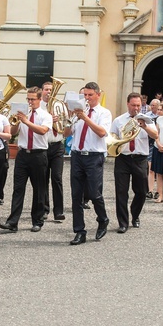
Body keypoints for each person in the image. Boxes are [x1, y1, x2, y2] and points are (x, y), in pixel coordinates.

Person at [0, 87, 51, 233]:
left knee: (39, 189)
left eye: (33, 99)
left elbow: (42, 131)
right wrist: (15, 122)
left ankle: (37, 221)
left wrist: (26, 121)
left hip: (38, 155)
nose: (30, 102)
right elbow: (13, 133)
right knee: (18, 188)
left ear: (39, 99)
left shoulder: (45, 115)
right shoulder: (23, 114)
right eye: (28, 99)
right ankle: (12, 222)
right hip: (22, 155)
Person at [64, 82, 111, 245]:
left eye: (90, 95)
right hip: (77, 155)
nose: (87, 98)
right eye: (85, 95)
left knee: (94, 193)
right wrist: (70, 119)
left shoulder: (104, 113)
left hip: (94, 156)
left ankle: (103, 218)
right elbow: (66, 133)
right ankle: (79, 231)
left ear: (98, 95)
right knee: (76, 195)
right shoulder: (79, 113)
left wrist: (85, 118)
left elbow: (101, 132)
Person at [112, 92, 158, 233]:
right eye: (133, 105)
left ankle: (135, 214)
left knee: (141, 192)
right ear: (128, 104)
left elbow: (155, 135)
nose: (136, 108)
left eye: (138, 105)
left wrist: (144, 126)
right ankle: (123, 223)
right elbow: (113, 138)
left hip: (140, 159)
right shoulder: (119, 120)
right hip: (123, 158)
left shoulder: (148, 119)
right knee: (121, 192)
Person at [41, 81, 66, 222]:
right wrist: (48, 120)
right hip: (44, 145)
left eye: (51, 89)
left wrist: (60, 120)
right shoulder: (38, 108)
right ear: (42, 91)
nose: (49, 92)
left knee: (57, 178)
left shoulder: (60, 105)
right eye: (46, 89)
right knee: (43, 178)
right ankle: (44, 209)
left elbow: (65, 124)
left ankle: (59, 211)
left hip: (57, 145)